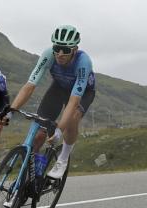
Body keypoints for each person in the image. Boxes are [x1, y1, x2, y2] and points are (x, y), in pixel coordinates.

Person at [7, 25, 95, 180]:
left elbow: (74, 101)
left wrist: (59, 130)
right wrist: (10, 110)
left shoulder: (83, 62)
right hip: (58, 88)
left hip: (82, 93)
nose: (60, 54)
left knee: (73, 117)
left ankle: (63, 158)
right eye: (57, 48)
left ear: (74, 49)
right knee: (39, 134)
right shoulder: (49, 55)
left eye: (65, 50)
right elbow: (29, 86)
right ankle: (28, 175)